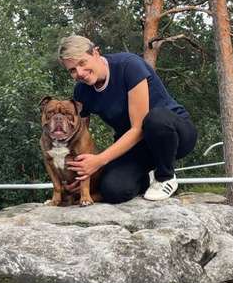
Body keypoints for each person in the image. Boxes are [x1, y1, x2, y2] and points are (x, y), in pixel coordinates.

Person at [57, 35, 197, 202]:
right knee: (112, 190)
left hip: (172, 135)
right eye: (72, 70)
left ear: (95, 53)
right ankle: (145, 180)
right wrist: (80, 172)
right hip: (136, 147)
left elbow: (138, 128)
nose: (79, 73)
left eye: (82, 63)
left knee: (155, 119)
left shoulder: (129, 66)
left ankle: (165, 176)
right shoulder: (81, 91)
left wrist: (100, 160)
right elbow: (80, 137)